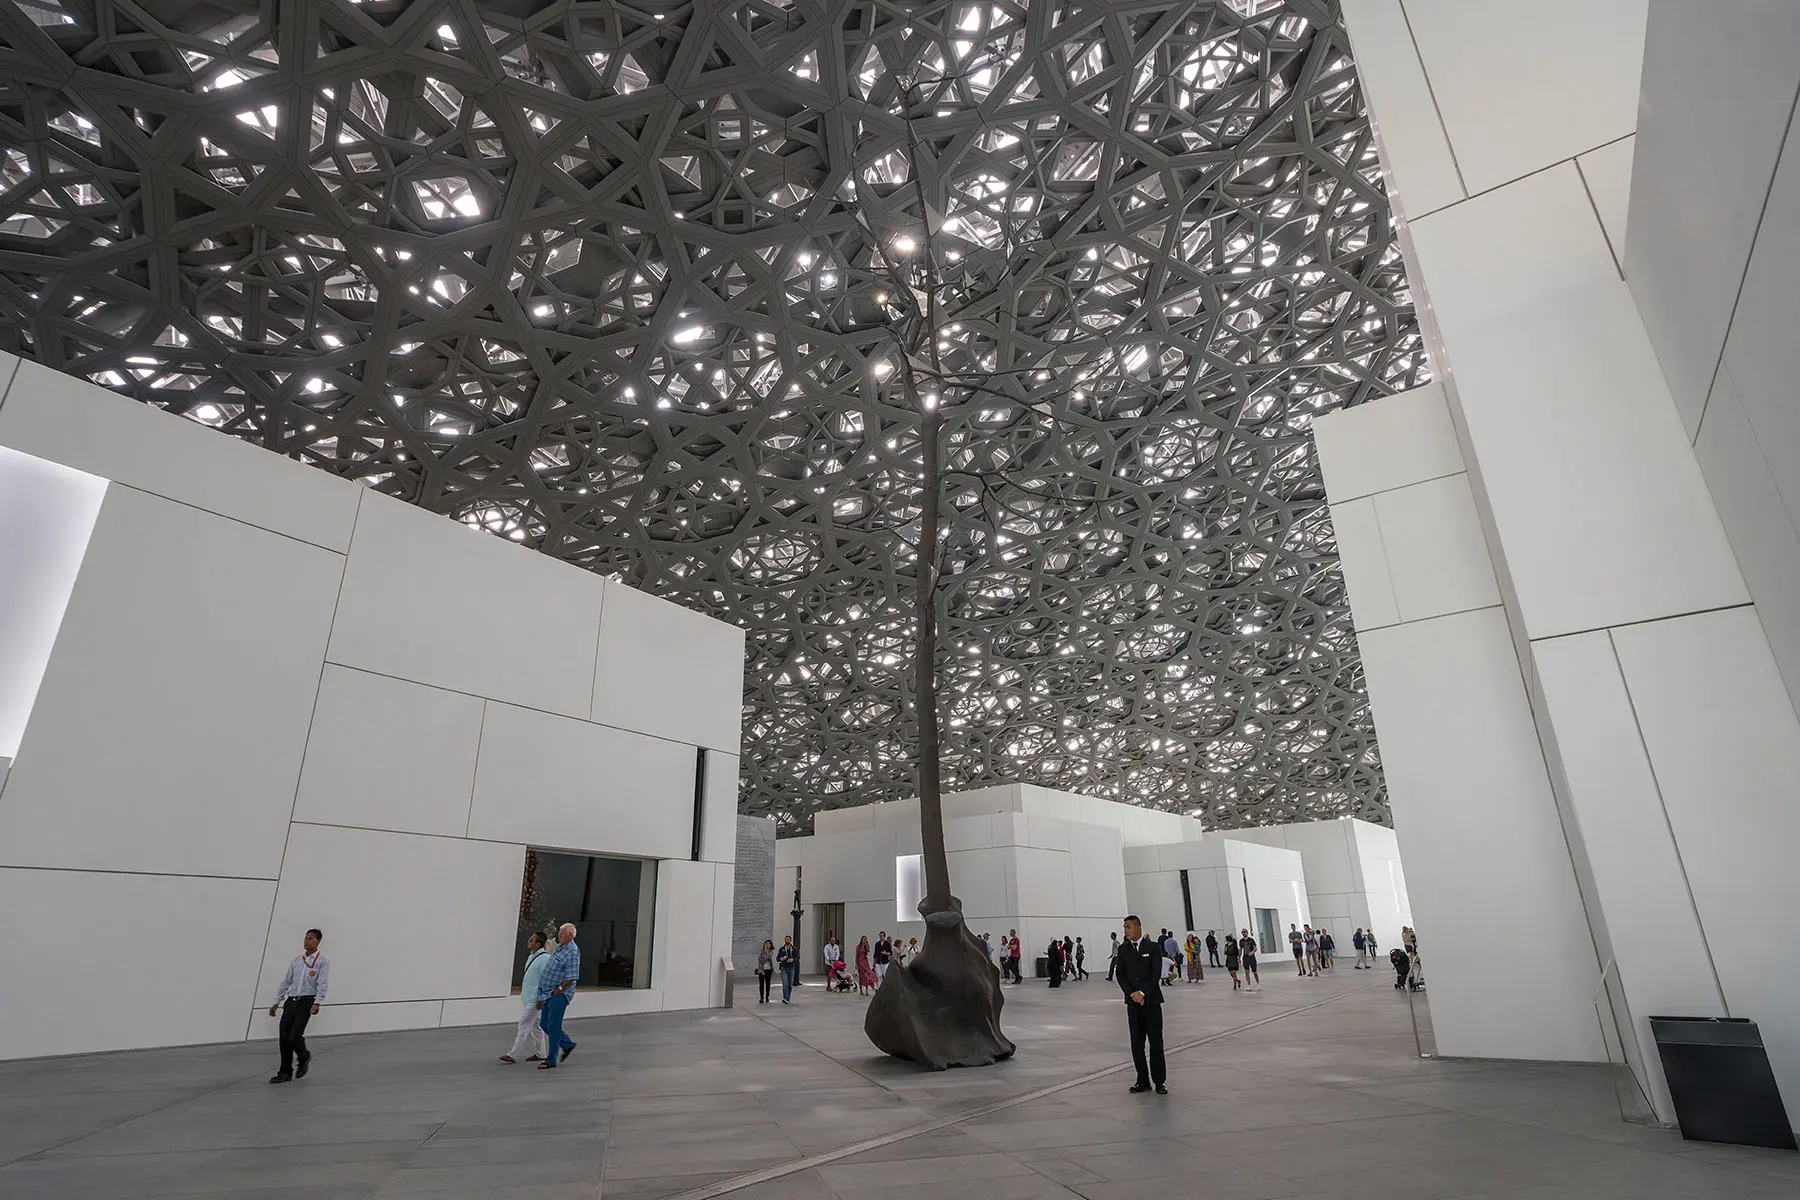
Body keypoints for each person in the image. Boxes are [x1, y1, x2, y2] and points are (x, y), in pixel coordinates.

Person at [267, 928, 329, 1084]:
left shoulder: (322, 962)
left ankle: (303, 1056)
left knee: (295, 1035)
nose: (306, 941)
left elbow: (322, 983)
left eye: (310, 938)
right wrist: (276, 1001)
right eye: (305, 938)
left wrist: (317, 1002)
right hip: (291, 1001)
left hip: (306, 1002)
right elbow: (286, 982)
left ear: (318, 941)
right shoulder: (296, 961)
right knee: (284, 1038)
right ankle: (285, 1071)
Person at [1116, 916, 1167, 1095]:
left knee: (1155, 1042)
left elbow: (1155, 973)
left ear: (1138, 927)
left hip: (1151, 1002)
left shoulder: (1152, 947)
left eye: (1128, 927)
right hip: (1133, 1003)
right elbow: (1120, 975)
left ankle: (1159, 1081)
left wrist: (1143, 993)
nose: (1125, 930)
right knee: (1137, 1044)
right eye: (1124, 927)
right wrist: (1132, 994)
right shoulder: (1123, 950)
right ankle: (1142, 1080)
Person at [501, 932, 551, 1062]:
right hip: (528, 997)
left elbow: (546, 980)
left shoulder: (544, 959)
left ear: (538, 944)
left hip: (535, 998)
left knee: (524, 1024)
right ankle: (541, 1053)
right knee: (535, 1027)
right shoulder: (531, 957)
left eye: (531, 940)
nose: (529, 941)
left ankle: (513, 1054)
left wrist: (541, 998)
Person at [776, 935, 799, 1003]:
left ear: (790, 940)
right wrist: (781, 958)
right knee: (785, 983)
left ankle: (788, 997)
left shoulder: (794, 949)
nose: (787, 941)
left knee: (790, 984)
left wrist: (793, 959)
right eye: (786, 939)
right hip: (784, 967)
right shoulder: (782, 949)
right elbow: (777, 958)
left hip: (791, 967)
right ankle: (785, 998)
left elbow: (797, 958)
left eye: (788, 939)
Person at [756, 938, 775, 1003]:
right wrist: (766, 959)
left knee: (768, 984)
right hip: (762, 969)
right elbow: (759, 960)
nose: (767, 945)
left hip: (769, 969)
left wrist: (766, 959)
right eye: (766, 944)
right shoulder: (762, 951)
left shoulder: (771, 951)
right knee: (761, 984)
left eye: (768, 944)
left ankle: (767, 996)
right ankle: (761, 997)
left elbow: (770, 959)